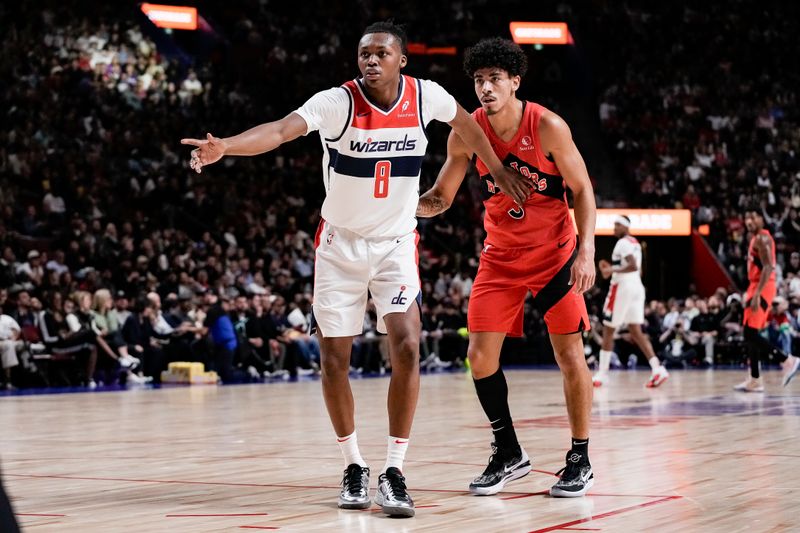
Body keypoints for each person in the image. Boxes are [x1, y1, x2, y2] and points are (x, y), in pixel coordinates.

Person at [181, 22, 530, 516]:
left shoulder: (426, 97)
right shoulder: (336, 103)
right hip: (340, 248)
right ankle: (352, 464)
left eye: (381, 53)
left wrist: (496, 170)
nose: (370, 60)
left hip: (395, 244)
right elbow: (280, 131)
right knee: (334, 361)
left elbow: (468, 127)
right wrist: (227, 147)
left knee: (408, 345)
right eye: (364, 53)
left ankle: (394, 470)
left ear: (401, 60)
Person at [416, 38, 596, 497]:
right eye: (478, 80)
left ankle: (580, 455)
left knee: (568, 356)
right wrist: (394, 208)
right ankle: (508, 450)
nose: (485, 87)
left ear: (515, 82)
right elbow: (440, 198)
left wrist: (587, 251)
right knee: (479, 358)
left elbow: (583, 190)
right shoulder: (464, 133)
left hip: (555, 254)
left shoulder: (549, 126)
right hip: (500, 257)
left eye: (495, 78)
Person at [593, 216, 670, 387]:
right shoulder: (635, 243)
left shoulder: (622, 243)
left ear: (625, 227)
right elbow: (639, 271)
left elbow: (633, 266)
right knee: (636, 331)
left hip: (623, 287)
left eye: (617, 224)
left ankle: (602, 373)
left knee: (608, 329)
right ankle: (657, 368)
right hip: (637, 287)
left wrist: (610, 269)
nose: (614, 227)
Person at [734, 209, 800, 392]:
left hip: (762, 288)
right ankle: (755, 379)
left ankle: (788, 360)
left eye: (753, 217)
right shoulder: (755, 238)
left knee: (751, 333)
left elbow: (769, 267)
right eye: (746, 217)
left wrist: (756, 294)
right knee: (749, 332)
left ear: (761, 219)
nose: (749, 221)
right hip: (755, 287)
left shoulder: (762, 238)